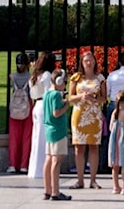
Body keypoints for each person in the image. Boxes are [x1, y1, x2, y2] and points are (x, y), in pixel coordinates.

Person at [68, 50, 107, 190]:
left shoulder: (100, 78)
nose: (89, 63)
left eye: (91, 60)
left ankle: (93, 180)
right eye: (86, 61)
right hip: (79, 114)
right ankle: (79, 180)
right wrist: (81, 96)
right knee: (79, 147)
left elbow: (104, 98)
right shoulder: (76, 78)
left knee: (94, 146)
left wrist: (95, 98)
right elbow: (70, 97)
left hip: (94, 115)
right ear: (82, 63)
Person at [42, 69, 72, 201]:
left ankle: (47, 190)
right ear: (59, 81)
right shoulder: (55, 95)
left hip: (49, 130)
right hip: (58, 131)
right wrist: (66, 105)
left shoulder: (47, 93)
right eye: (64, 82)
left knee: (48, 160)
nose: (65, 85)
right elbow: (56, 113)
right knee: (56, 161)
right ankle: (55, 191)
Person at [27, 51, 57, 180]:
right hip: (44, 106)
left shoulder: (35, 75)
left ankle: (34, 169)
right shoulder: (47, 75)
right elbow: (48, 93)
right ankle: (41, 169)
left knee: (36, 137)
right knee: (43, 138)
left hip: (36, 105)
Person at [7, 52, 32, 174]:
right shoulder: (31, 77)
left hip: (15, 106)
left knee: (14, 137)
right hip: (27, 106)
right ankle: (24, 165)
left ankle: (12, 164)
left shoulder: (12, 77)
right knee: (26, 137)